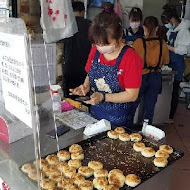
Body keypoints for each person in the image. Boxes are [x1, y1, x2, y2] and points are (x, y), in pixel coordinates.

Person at [70, 10, 143, 127]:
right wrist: (85, 86)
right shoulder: (95, 50)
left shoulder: (130, 58)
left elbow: (132, 95)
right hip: (96, 113)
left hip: (119, 118)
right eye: (97, 44)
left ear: (118, 37)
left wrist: (103, 97)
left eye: (105, 44)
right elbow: (91, 72)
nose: (101, 48)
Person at [132, 16, 170, 124]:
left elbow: (132, 61)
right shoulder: (162, 43)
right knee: (150, 107)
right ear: (157, 27)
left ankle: (128, 128)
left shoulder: (138, 42)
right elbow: (166, 61)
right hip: (155, 77)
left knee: (134, 103)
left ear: (144, 27)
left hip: (141, 76)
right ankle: (146, 130)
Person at [161, 4, 190, 123]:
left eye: (167, 22)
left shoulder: (183, 31)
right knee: (168, 89)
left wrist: (168, 47)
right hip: (170, 62)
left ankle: (170, 116)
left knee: (174, 91)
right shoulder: (172, 30)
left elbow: (184, 50)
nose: (167, 25)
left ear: (172, 20)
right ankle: (165, 112)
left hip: (178, 64)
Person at [62, 1, 91, 97]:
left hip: (68, 68)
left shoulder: (65, 25)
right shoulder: (90, 25)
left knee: (69, 97)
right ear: (83, 11)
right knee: (83, 96)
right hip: (84, 69)